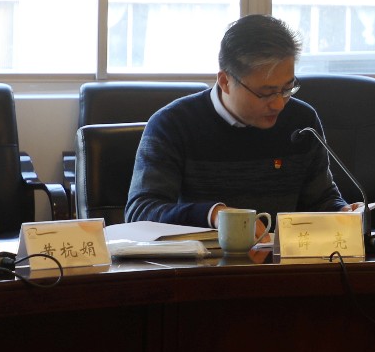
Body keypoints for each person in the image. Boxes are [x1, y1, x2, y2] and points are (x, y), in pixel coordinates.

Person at [125, 14, 360, 231]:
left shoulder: (301, 121)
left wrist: (342, 211)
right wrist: (214, 215)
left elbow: (321, 199)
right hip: (205, 260)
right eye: (266, 93)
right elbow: (140, 213)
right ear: (225, 81)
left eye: (287, 88)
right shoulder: (173, 124)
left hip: (282, 259)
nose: (279, 104)